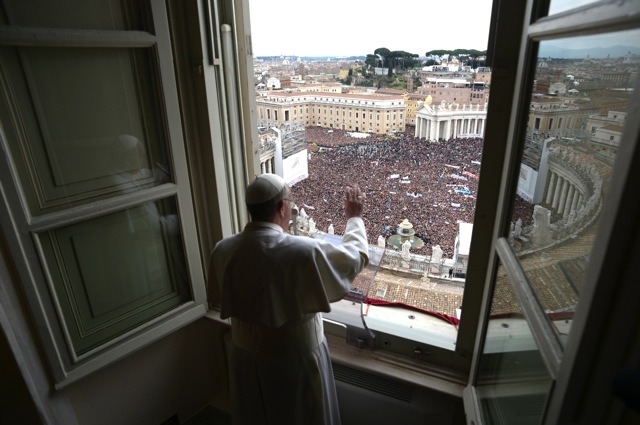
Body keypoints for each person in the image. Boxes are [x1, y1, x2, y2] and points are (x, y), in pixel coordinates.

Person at [208, 173, 368, 425]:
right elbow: (353, 258)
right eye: (291, 202)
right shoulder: (303, 251)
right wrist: (354, 218)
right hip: (294, 366)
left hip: (243, 360)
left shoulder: (223, 249)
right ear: (282, 207)